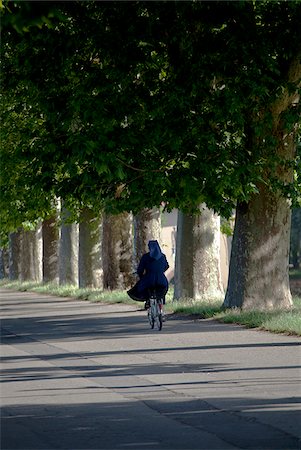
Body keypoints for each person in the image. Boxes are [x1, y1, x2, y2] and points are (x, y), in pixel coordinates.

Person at [127, 240, 169, 308]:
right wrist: (160, 272)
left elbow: (140, 269)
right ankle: (161, 304)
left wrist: (141, 276)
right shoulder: (162, 256)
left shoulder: (146, 257)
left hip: (149, 280)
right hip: (162, 280)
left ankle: (148, 301)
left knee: (141, 288)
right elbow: (166, 266)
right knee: (162, 291)